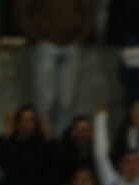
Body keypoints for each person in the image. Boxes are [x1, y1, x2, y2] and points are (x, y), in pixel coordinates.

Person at [17, 0, 93, 134]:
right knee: (44, 101)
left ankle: (61, 143)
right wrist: (34, 36)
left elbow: (87, 11)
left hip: (72, 45)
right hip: (45, 44)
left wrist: (81, 36)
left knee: (67, 101)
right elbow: (21, 10)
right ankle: (42, 140)